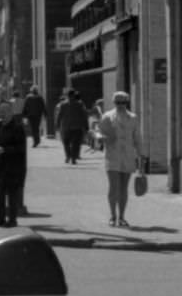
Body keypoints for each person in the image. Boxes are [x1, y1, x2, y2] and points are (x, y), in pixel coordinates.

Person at [99, 90, 142, 228]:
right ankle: (112, 216)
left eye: (123, 102)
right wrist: (103, 138)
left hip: (128, 156)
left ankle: (122, 217)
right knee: (113, 187)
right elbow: (99, 134)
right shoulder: (107, 117)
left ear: (127, 102)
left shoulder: (133, 118)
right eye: (118, 102)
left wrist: (141, 157)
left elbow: (137, 138)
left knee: (123, 189)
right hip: (112, 156)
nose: (120, 105)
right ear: (114, 102)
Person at [0, 100, 28, 227]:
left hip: (13, 166)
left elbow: (20, 148)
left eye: (4, 112)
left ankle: (12, 220)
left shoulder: (17, 127)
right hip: (0, 166)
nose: (2, 114)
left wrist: (4, 150)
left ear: (11, 113)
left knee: (11, 195)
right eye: (0, 112)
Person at [56, 87, 89, 164]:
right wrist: (86, 126)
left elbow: (59, 115)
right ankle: (73, 158)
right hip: (77, 127)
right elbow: (84, 115)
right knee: (75, 144)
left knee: (66, 143)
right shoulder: (79, 104)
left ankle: (68, 156)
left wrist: (57, 125)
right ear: (74, 95)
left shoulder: (63, 104)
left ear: (67, 95)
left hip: (66, 127)